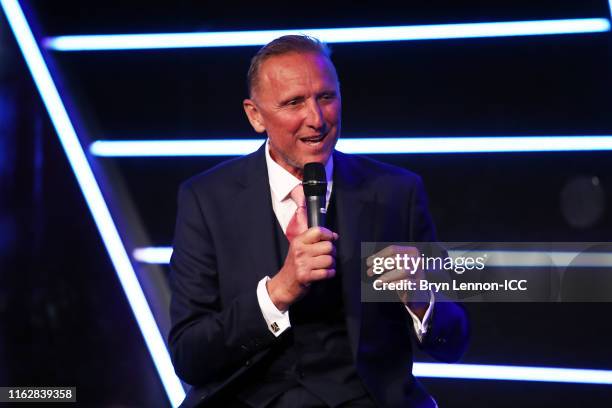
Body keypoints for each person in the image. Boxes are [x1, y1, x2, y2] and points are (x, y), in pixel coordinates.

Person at [168, 35, 469, 408]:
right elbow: (190, 357)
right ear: (255, 115)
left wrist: (422, 303)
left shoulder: (395, 192)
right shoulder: (206, 199)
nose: (317, 118)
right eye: (294, 102)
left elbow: (453, 343)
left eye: (326, 97)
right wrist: (278, 292)